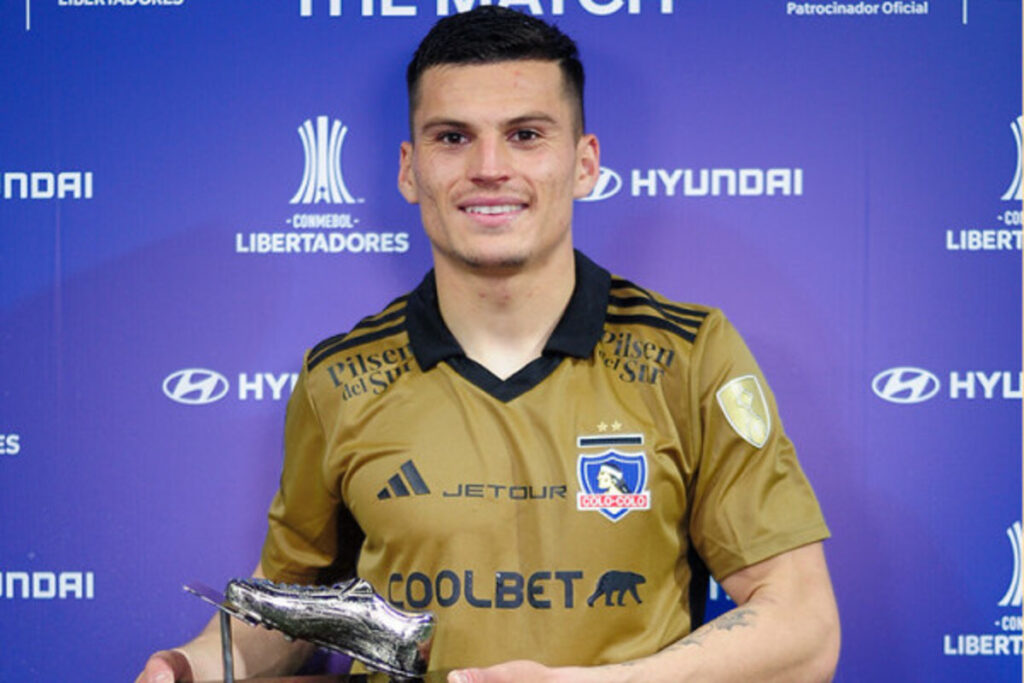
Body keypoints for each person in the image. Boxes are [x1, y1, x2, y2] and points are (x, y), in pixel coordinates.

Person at [138, 7, 839, 682]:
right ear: (410, 169)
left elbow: (803, 625)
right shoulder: (340, 377)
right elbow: (290, 609)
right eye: (453, 137)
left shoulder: (691, 356)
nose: (489, 167)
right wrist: (193, 665)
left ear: (585, 161)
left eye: (527, 134)